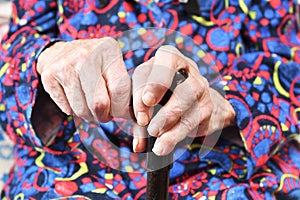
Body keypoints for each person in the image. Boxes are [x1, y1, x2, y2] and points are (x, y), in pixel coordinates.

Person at [0, 0, 299, 199]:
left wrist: (223, 103)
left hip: (219, 164)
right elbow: (14, 52)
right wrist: (49, 59)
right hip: (72, 163)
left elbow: (290, 72)